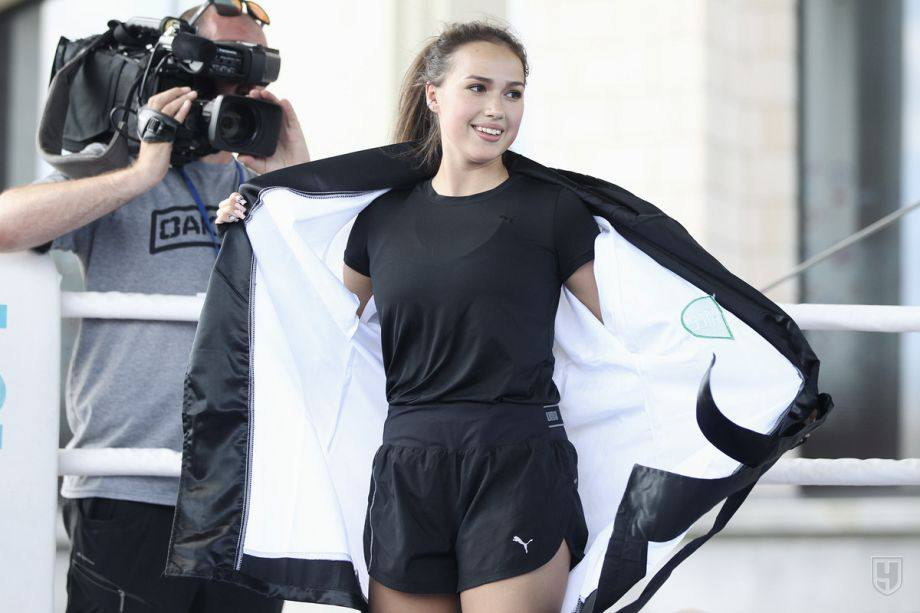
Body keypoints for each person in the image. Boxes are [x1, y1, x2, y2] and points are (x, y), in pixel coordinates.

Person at [217, 21, 601, 613]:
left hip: (516, 464)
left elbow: (628, 331)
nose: (497, 109)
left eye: (513, 92)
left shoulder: (552, 210)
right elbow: (317, 325)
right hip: (408, 468)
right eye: (478, 87)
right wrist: (269, 208)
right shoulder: (383, 219)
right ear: (434, 95)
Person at [0, 2, 308, 611]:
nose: (237, 90)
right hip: (128, 487)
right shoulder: (120, 175)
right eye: (222, 66)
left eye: (252, 72)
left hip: (249, 495)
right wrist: (140, 172)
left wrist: (301, 181)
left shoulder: (276, 191)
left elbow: (342, 298)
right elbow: (7, 222)